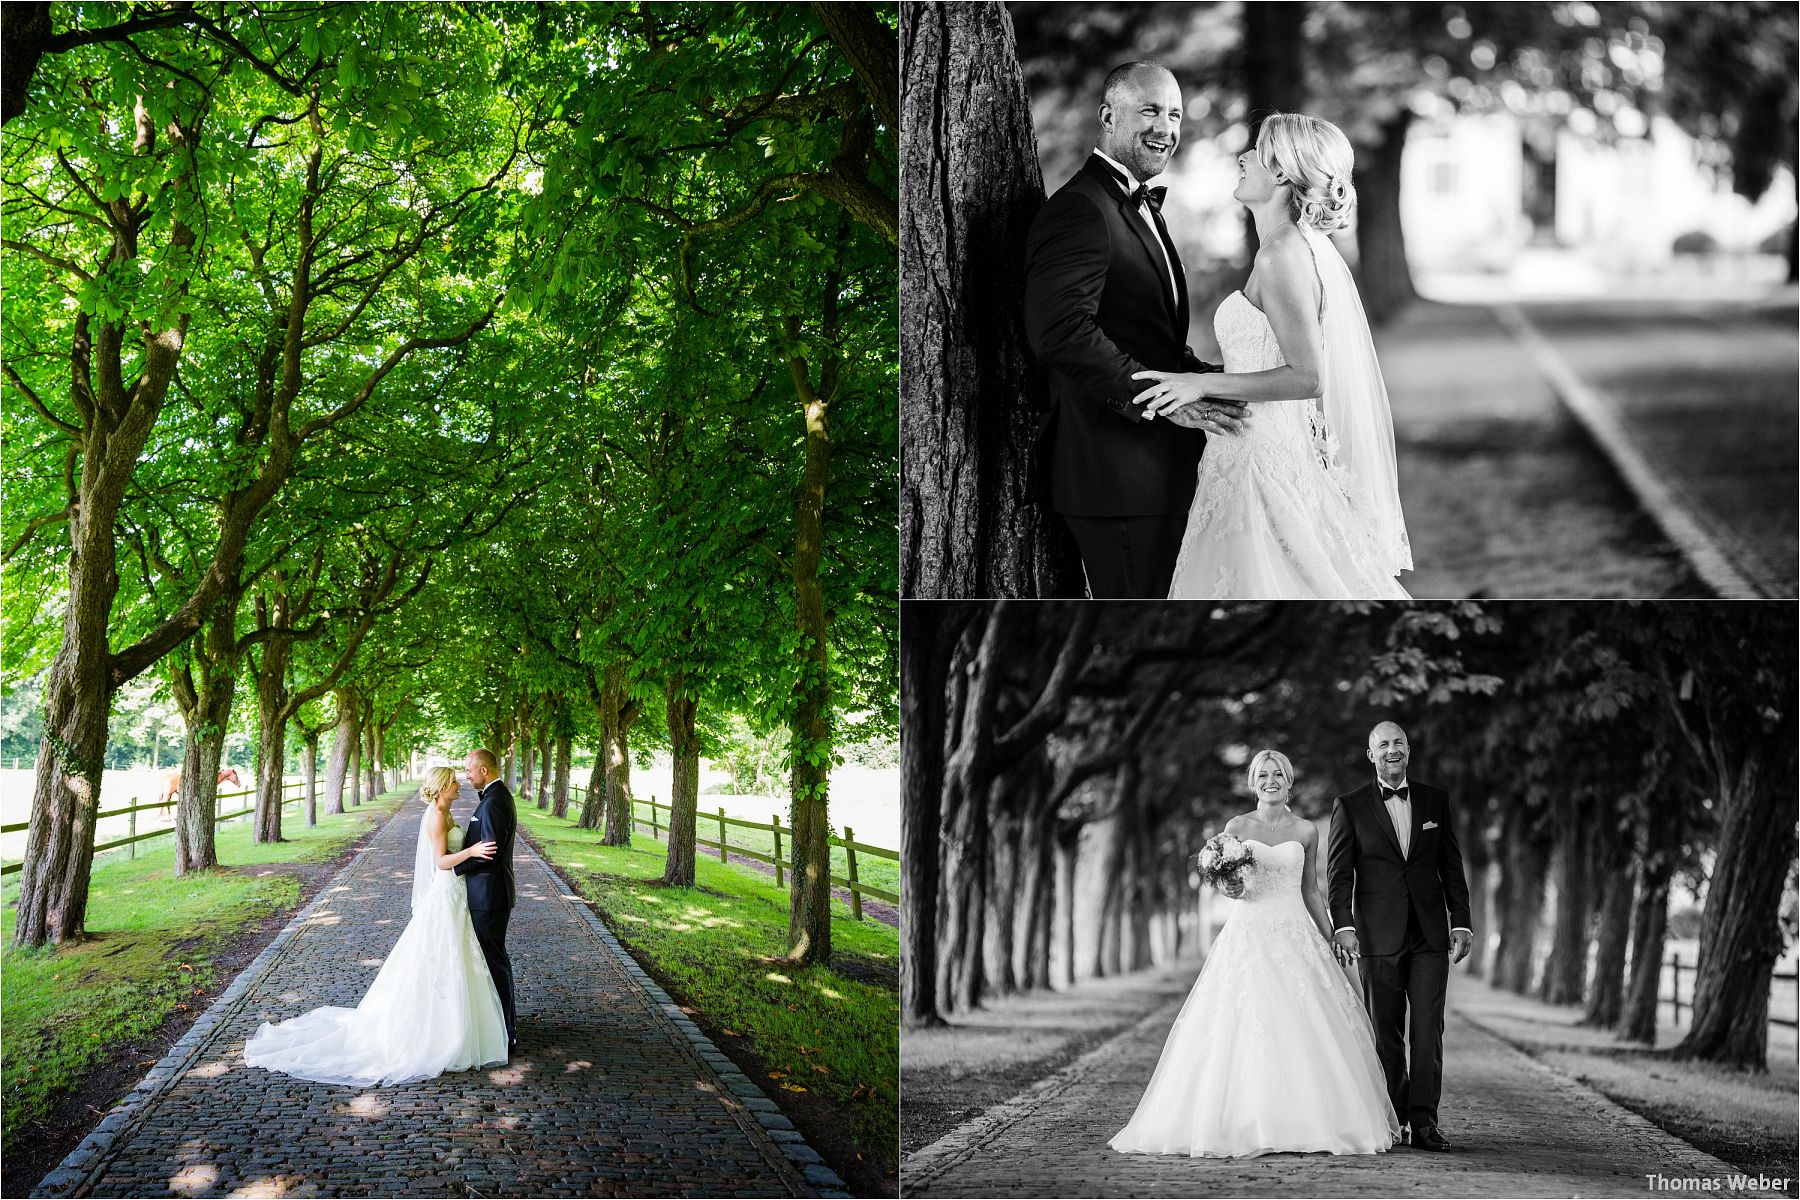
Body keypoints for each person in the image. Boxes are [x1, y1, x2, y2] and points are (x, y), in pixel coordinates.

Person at [1134, 113, 1414, 599]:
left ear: (1282, 174)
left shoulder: (1280, 255)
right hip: (1251, 446)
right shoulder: (1293, 248)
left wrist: (1201, 384)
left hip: (1258, 457)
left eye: (1255, 151)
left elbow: (1307, 378)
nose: (1242, 157)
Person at [1023, 61, 1244, 598]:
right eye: (1149, 111)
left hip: (1154, 470)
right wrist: (1164, 399)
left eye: (1173, 114)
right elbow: (1059, 330)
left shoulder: (1142, 207)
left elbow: (1149, 336)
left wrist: (1227, 381)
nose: (1165, 128)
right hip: (1113, 477)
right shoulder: (1080, 208)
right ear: (1107, 116)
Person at [1111, 750, 1400, 1158]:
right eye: (1263, 774)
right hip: (1248, 936)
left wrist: (1333, 934)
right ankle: (1244, 1120)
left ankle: (1305, 1120)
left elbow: (1310, 890)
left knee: (1303, 1024)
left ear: (1289, 781)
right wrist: (1226, 887)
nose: (1271, 780)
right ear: (1252, 782)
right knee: (1245, 1024)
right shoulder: (1236, 826)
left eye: (1278, 774)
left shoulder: (1305, 831)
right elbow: (1230, 885)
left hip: (1296, 934)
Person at [243, 766, 508, 1086]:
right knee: (441, 953)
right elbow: (440, 861)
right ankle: (436, 1031)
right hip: (445, 892)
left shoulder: (446, 813)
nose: (459, 784)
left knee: (458, 956)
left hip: (456, 893)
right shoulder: (436, 817)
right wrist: (472, 850)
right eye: (453, 781)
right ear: (441, 788)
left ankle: (458, 1026)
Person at [1328, 721, 1474, 1151]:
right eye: (1382, 745)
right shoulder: (1349, 805)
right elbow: (1339, 875)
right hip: (1377, 936)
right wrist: (1345, 925)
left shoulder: (1435, 800)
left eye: (1398, 743)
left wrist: (1461, 921)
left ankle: (1425, 1122)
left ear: (1408, 750)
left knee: (1428, 1029)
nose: (1392, 750)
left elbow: (1452, 866)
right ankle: (1396, 1116)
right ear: (1370, 755)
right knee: (1386, 1033)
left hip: (1430, 935)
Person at [457, 748, 519, 1051]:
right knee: (493, 960)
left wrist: (456, 866)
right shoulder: (494, 797)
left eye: (469, 770)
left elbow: (489, 850)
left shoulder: (495, 801)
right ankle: (502, 1024)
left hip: (490, 895)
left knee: (494, 962)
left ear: (483, 770)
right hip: (487, 894)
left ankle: (507, 1031)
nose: (467, 775)